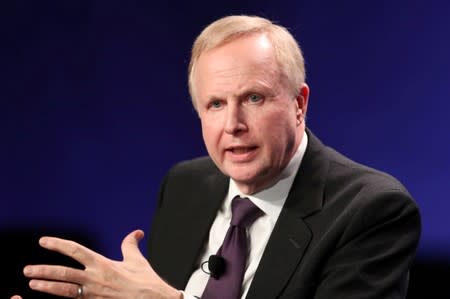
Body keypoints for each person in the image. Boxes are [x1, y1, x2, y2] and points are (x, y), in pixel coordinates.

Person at [11, 15, 421, 299]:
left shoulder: (371, 210)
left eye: (253, 98)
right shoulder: (185, 185)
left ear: (299, 103)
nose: (233, 124)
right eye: (215, 105)